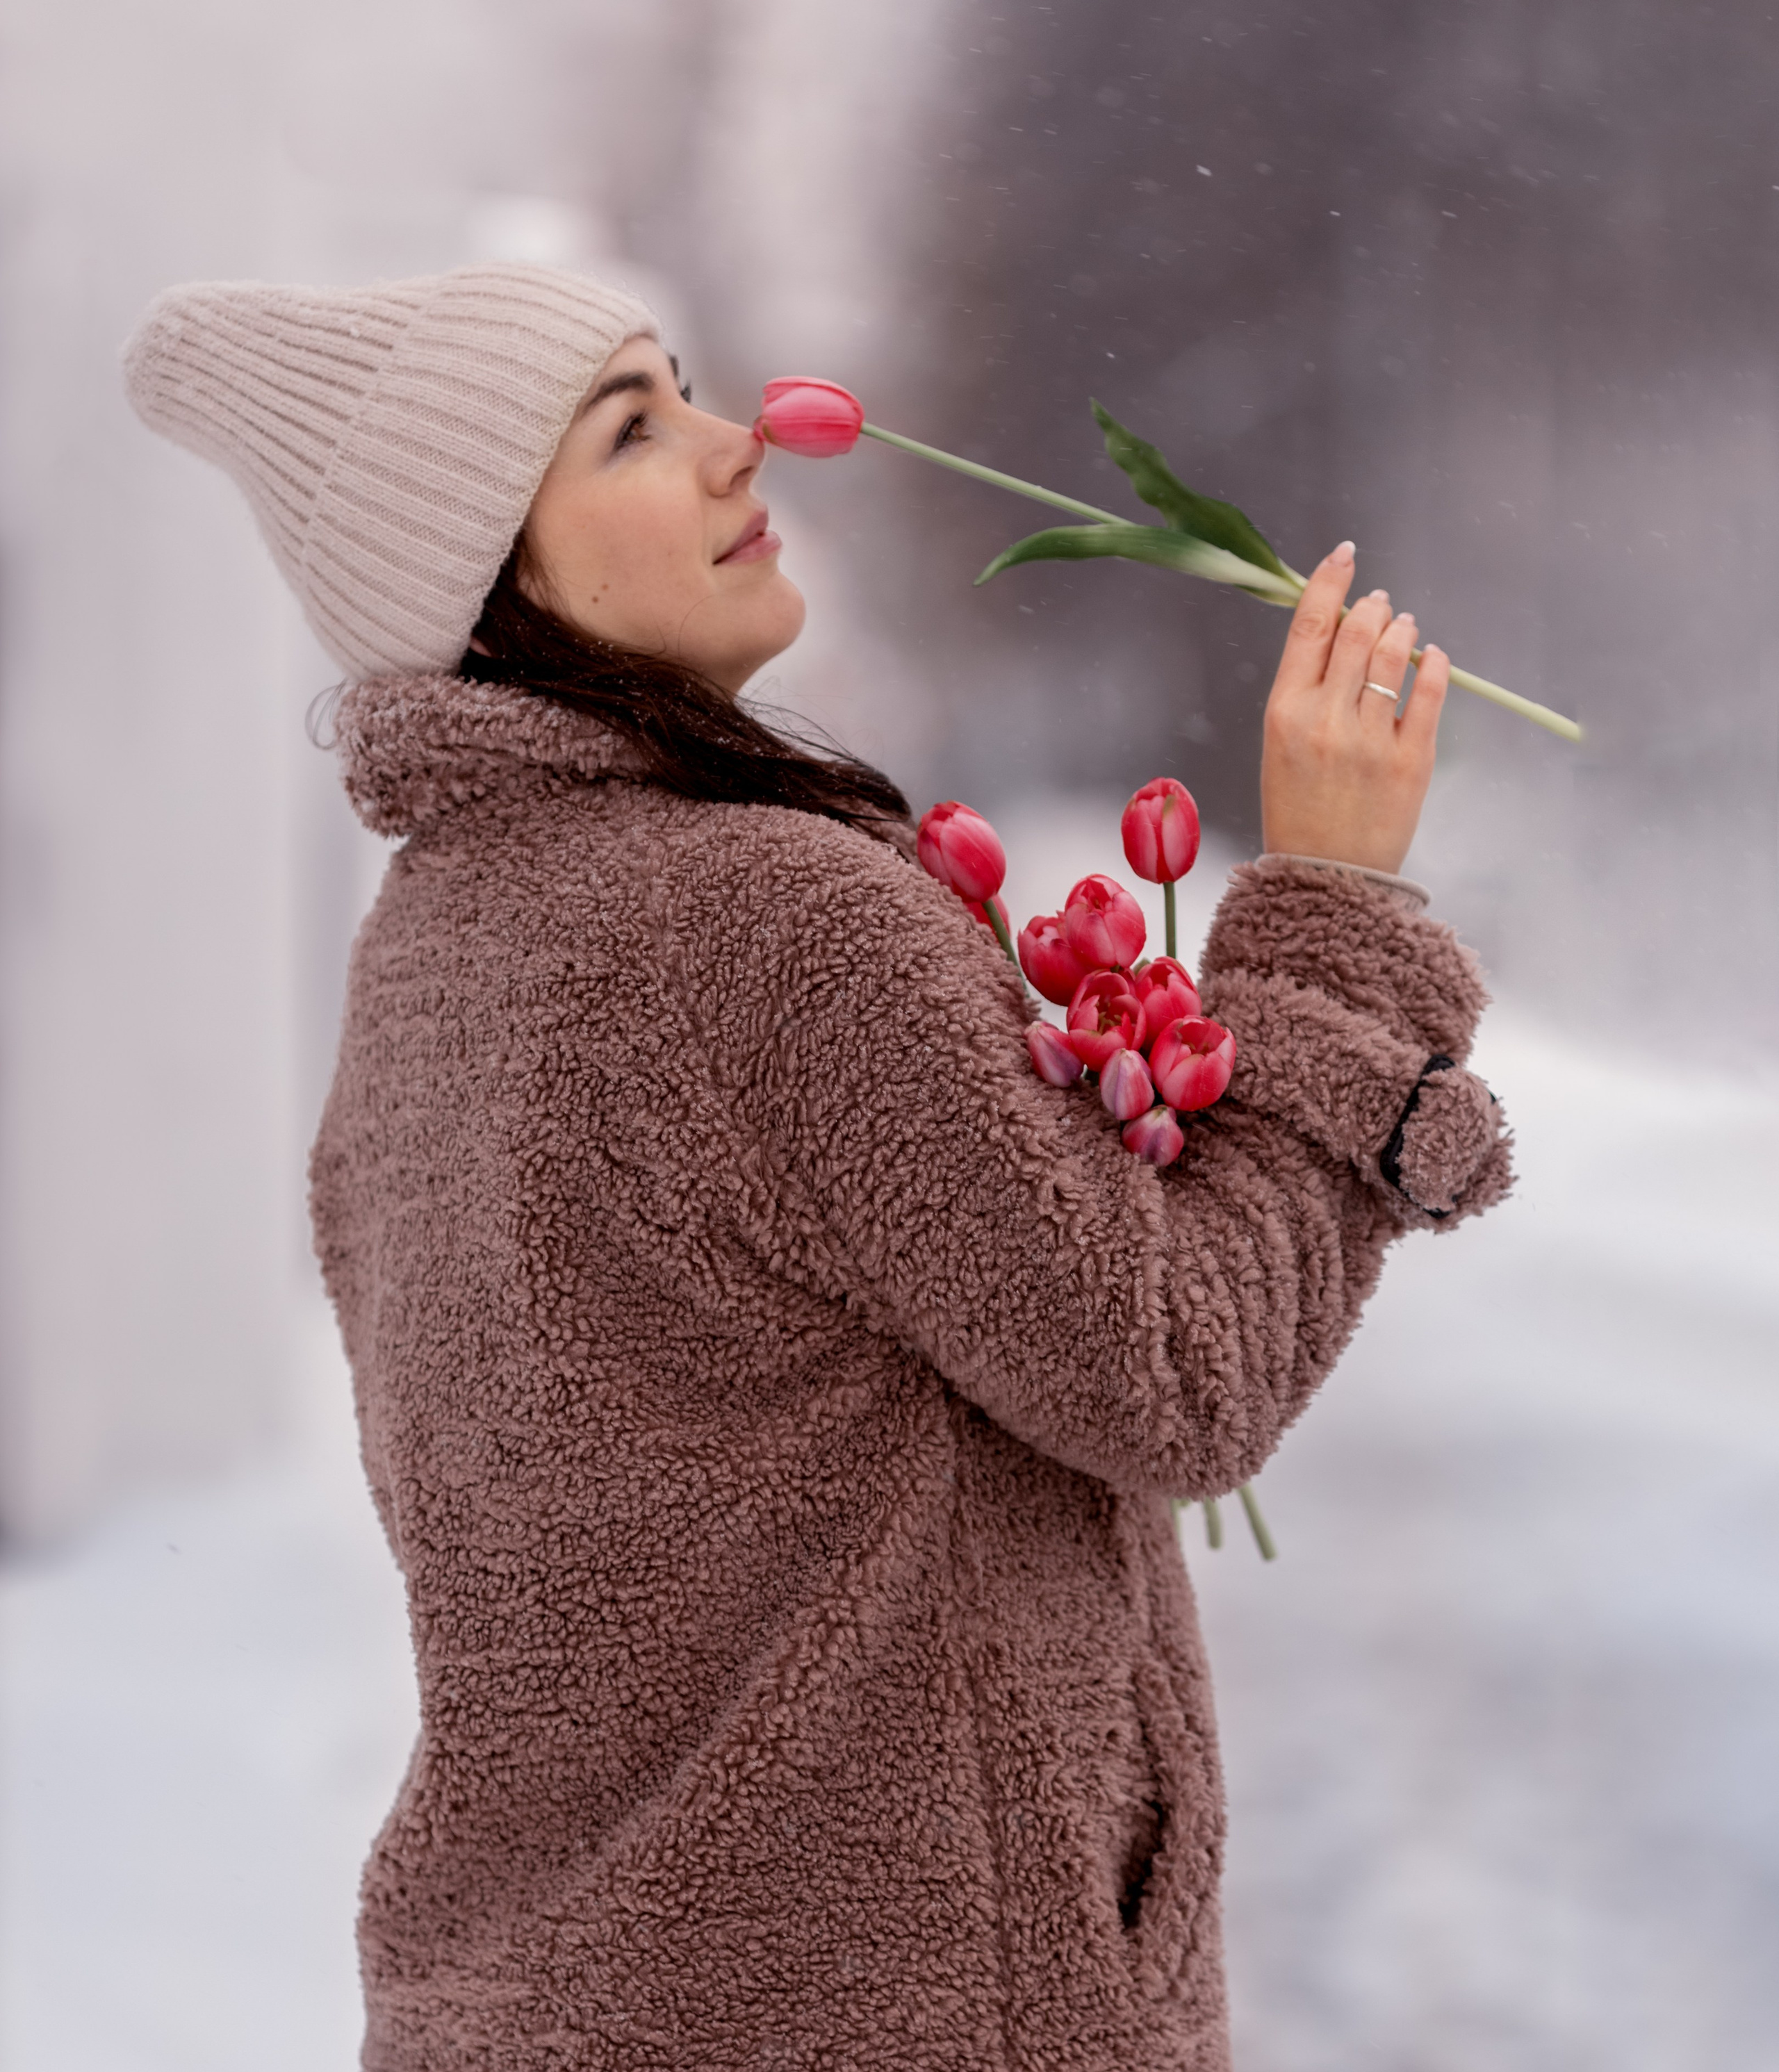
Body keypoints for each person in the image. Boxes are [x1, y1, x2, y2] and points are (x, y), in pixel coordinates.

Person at [123, 262, 1511, 2072]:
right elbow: (1172, 1369)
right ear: (495, 577)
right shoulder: (757, 920)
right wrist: (1331, 919)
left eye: (683, 385)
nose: (735, 440)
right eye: (630, 425)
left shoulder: (432, 959)